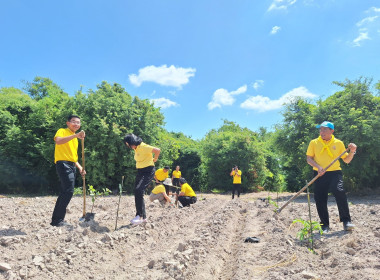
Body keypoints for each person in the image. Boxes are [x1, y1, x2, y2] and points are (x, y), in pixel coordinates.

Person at [306, 121, 357, 233]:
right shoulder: (314, 143)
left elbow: (347, 160)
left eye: (324, 129)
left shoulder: (338, 143)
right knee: (320, 198)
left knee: (339, 191)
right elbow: (309, 158)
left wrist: (352, 151)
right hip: (319, 173)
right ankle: (324, 225)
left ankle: (346, 221)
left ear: (331, 131)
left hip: (335, 172)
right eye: (320, 129)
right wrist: (318, 167)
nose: (321, 132)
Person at [51, 114, 86, 227]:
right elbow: (59, 141)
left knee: (65, 191)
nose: (76, 124)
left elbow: (73, 157)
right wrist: (75, 136)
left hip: (71, 165)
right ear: (68, 123)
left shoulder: (75, 139)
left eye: (78, 122)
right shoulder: (62, 131)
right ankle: (57, 220)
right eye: (74, 122)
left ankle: (56, 220)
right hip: (63, 163)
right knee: (68, 191)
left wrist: (80, 167)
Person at [124, 133, 161, 225]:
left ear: (132, 142)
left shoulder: (143, 146)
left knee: (139, 190)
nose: (128, 146)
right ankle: (142, 217)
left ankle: (140, 216)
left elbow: (157, 150)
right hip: (140, 171)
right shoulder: (136, 148)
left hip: (148, 170)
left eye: (128, 144)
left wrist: (155, 159)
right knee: (137, 191)